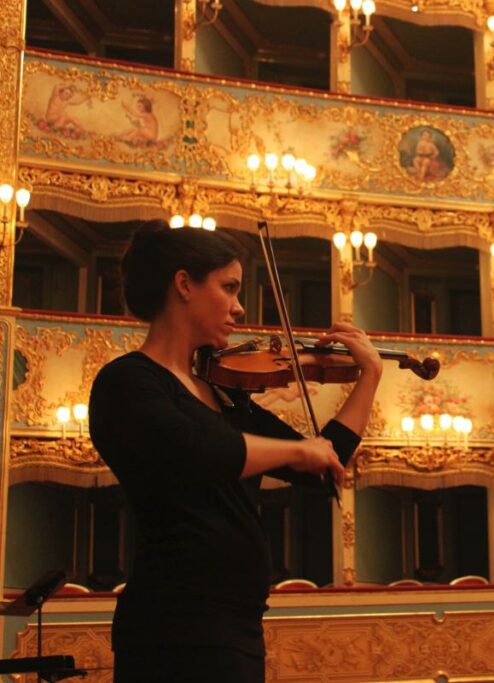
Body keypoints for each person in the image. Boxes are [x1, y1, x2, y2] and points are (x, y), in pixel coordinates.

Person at [88, 219, 383, 682]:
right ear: (184, 284)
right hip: (174, 625)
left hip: (235, 624)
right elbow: (200, 451)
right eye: (228, 288)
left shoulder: (223, 393)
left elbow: (320, 464)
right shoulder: (127, 382)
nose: (240, 307)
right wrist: (297, 452)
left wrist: (369, 378)